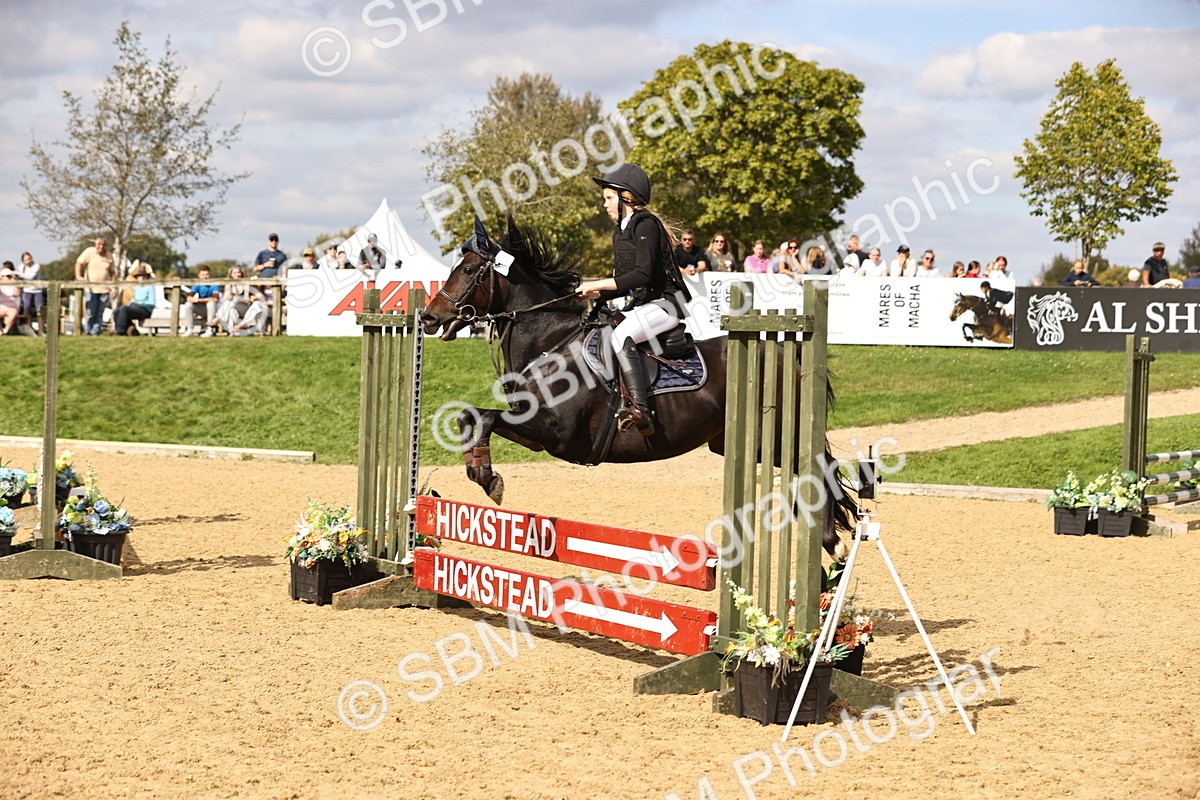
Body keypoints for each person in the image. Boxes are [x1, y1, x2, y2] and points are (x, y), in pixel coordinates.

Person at [577, 163, 691, 437]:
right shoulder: (621, 231)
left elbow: (642, 274)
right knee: (602, 332)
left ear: (625, 197)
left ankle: (641, 410)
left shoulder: (646, 225)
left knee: (621, 336)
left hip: (666, 304)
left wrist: (597, 284)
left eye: (608, 198)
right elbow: (624, 282)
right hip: (644, 305)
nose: (604, 204)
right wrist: (597, 293)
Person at [75, 236, 116, 335]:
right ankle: (88, 331)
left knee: (100, 312)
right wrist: (78, 276)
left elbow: (113, 272)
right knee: (90, 312)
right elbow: (79, 263)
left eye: (103, 244)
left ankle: (95, 332)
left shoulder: (109, 256)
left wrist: (113, 288)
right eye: (99, 244)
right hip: (91, 289)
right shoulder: (89, 251)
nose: (101, 247)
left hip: (105, 289)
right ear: (95, 244)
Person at [212, 266, 268, 335]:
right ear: (231, 275)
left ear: (241, 274)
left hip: (244, 306)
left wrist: (235, 298)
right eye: (235, 273)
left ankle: (218, 318)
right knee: (230, 305)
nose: (237, 274)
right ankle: (232, 331)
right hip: (233, 306)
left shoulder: (245, 283)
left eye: (238, 272)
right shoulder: (229, 284)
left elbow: (246, 299)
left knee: (233, 300)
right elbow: (226, 298)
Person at [114, 264, 156, 335]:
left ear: (146, 276)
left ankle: (120, 332)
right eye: (138, 276)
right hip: (135, 307)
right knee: (117, 311)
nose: (140, 278)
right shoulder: (137, 287)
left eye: (142, 276)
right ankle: (126, 328)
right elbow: (133, 299)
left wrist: (140, 304)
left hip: (145, 310)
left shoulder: (150, 287)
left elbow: (152, 303)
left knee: (124, 309)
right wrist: (131, 304)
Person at [183, 264, 222, 336]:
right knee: (188, 305)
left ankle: (210, 329)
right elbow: (189, 297)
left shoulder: (214, 284)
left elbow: (215, 299)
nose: (205, 277)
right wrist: (193, 299)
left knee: (211, 304)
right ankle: (189, 329)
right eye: (203, 275)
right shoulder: (197, 284)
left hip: (215, 310)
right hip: (202, 309)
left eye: (207, 275)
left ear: (210, 275)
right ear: (199, 275)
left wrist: (199, 300)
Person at [16, 252, 44, 333]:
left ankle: (41, 330)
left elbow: (30, 277)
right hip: (27, 290)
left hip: (37, 290)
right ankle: (28, 328)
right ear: (23, 261)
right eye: (26, 260)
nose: (28, 261)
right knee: (26, 308)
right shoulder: (21, 267)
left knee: (40, 310)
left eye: (29, 259)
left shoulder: (36, 266)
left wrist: (18, 273)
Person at [0, 267, 21, 335]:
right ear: (2, 276)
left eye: (10, 276)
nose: (8, 278)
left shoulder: (13, 284)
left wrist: (12, 283)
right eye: (7, 276)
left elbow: (17, 294)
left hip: (12, 306)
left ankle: (5, 331)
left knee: (12, 314)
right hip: (2, 306)